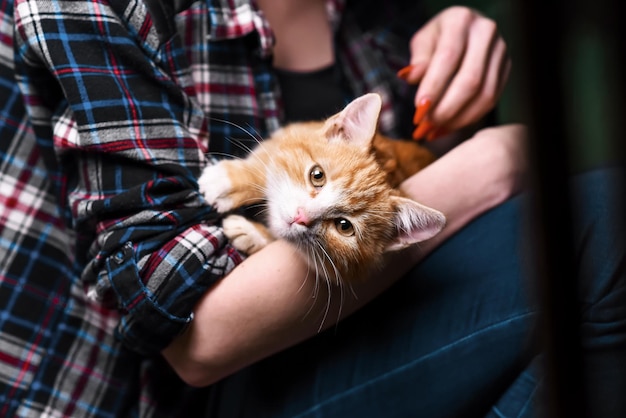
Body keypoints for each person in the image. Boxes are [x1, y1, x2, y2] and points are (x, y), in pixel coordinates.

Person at [0, 1, 623, 417]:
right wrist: (489, 163)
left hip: (348, 341)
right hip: (161, 398)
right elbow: (198, 340)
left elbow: (415, 207)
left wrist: (461, 78)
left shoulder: (377, 17)